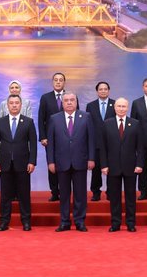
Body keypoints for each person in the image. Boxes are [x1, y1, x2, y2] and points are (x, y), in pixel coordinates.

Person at [46, 92, 95, 232]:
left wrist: (91, 158)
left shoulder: (86, 117)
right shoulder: (54, 119)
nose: (69, 102)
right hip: (61, 162)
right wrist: (51, 161)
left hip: (81, 161)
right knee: (64, 194)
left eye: (72, 100)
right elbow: (51, 143)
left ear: (76, 102)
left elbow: (91, 139)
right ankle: (64, 222)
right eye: (66, 100)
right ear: (62, 103)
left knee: (80, 194)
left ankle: (80, 221)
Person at [98, 97, 145, 232]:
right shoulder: (107, 124)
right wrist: (104, 165)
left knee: (131, 197)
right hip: (112, 167)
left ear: (128, 107)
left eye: (124, 106)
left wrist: (140, 164)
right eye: (119, 106)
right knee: (114, 197)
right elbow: (103, 147)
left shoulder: (135, 123)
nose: (121, 109)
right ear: (114, 107)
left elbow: (140, 147)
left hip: (131, 166)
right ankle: (115, 223)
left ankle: (131, 223)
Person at [0, 95, 37, 231]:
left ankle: (26, 221)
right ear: (7, 105)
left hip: (23, 164)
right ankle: (4, 221)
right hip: (4, 164)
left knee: (24, 194)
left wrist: (32, 161)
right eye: (11, 103)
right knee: (5, 195)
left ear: (21, 105)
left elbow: (33, 144)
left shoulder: (28, 122)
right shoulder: (0, 122)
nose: (14, 105)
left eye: (17, 103)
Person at [37, 72, 70, 202]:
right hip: (50, 139)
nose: (58, 82)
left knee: (66, 165)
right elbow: (41, 119)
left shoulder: (70, 97)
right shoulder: (46, 98)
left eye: (60, 80)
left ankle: (65, 191)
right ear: (52, 82)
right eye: (55, 80)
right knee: (52, 165)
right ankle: (54, 191)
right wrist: (43, 137)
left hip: (68, 138)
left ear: (64, 82)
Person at [85, 81, 113, 202]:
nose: (103, 91)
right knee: (96, 170)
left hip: (112, 143)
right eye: (100, 89)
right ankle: (96, 192)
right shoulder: (90, 106)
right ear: (97, 91)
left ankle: (111, 192)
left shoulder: (115, 104)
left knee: (112, 169)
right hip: (95, 143)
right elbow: (88, 125)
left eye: (105, 89)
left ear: (108, 91)